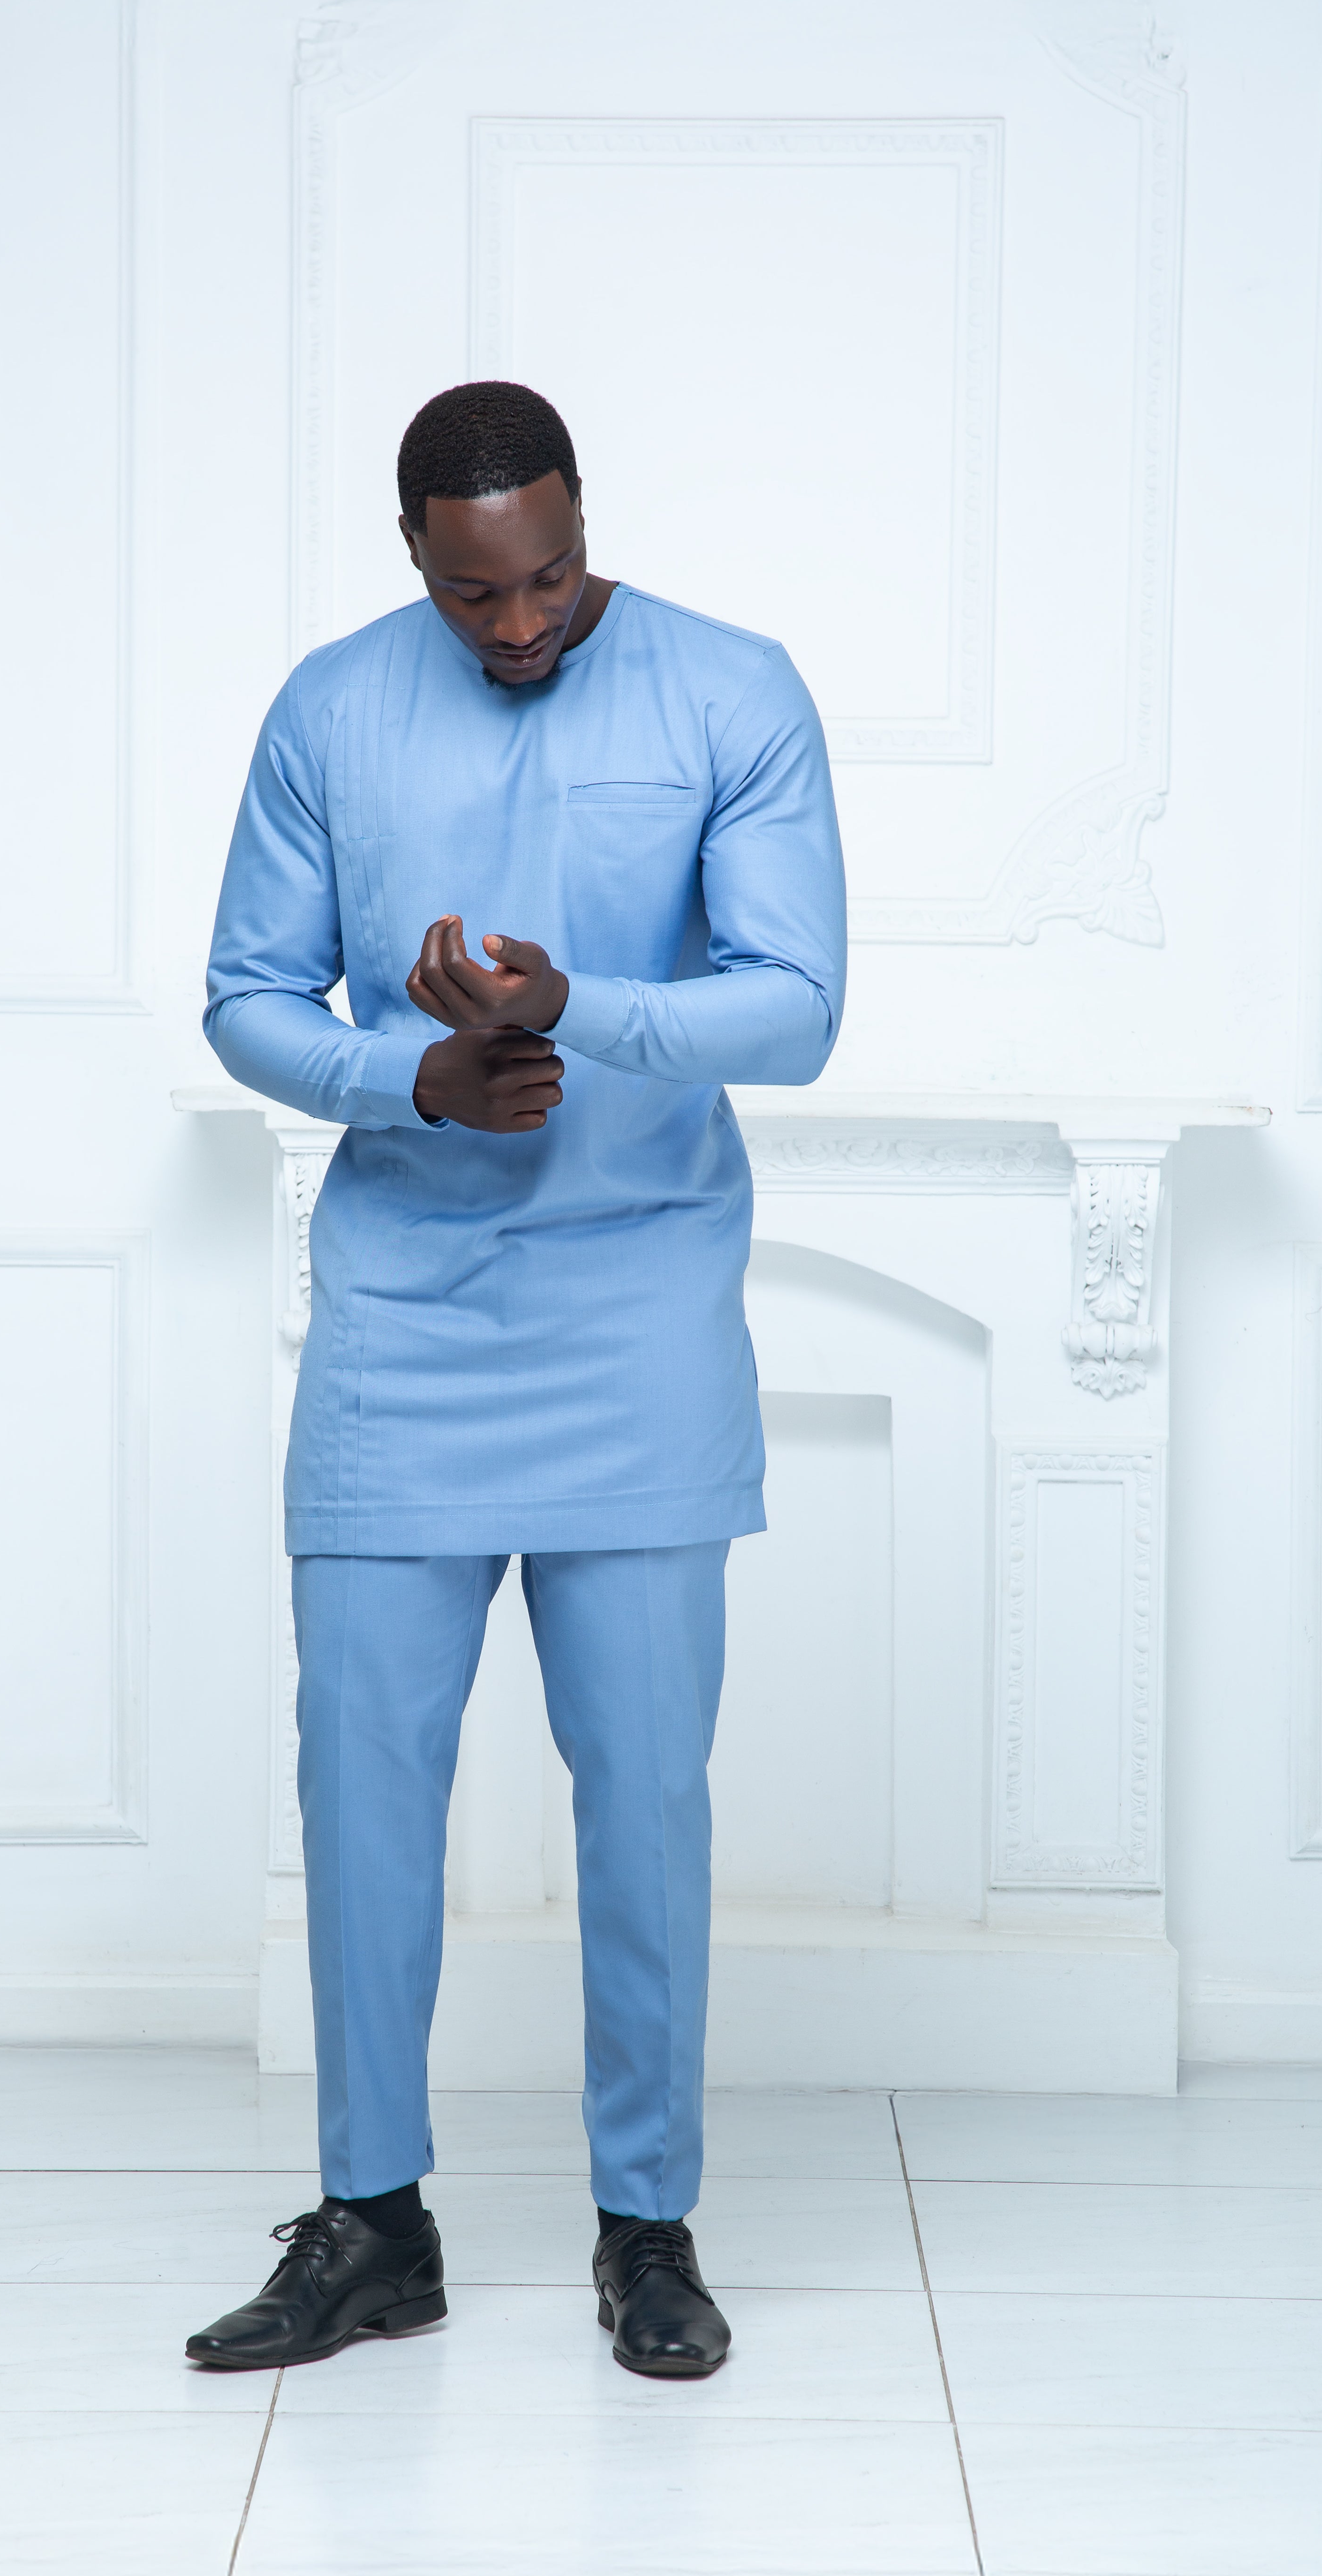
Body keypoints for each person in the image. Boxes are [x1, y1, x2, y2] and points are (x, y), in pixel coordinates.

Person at [187, 381, 846, 2379]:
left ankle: (647, 2225)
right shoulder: (329, 710)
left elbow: (796, 1007)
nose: (523, 621)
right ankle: (373, 2220)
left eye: (551, 575)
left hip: (639, 1314)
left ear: (581, 521)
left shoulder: (731, 691)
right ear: (414, 550)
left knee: (642, 1794)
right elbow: (245, 997)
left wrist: (580, 1008)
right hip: (403, 1319)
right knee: (362, 1783)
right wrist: (417, 1075)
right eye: (476, 592)